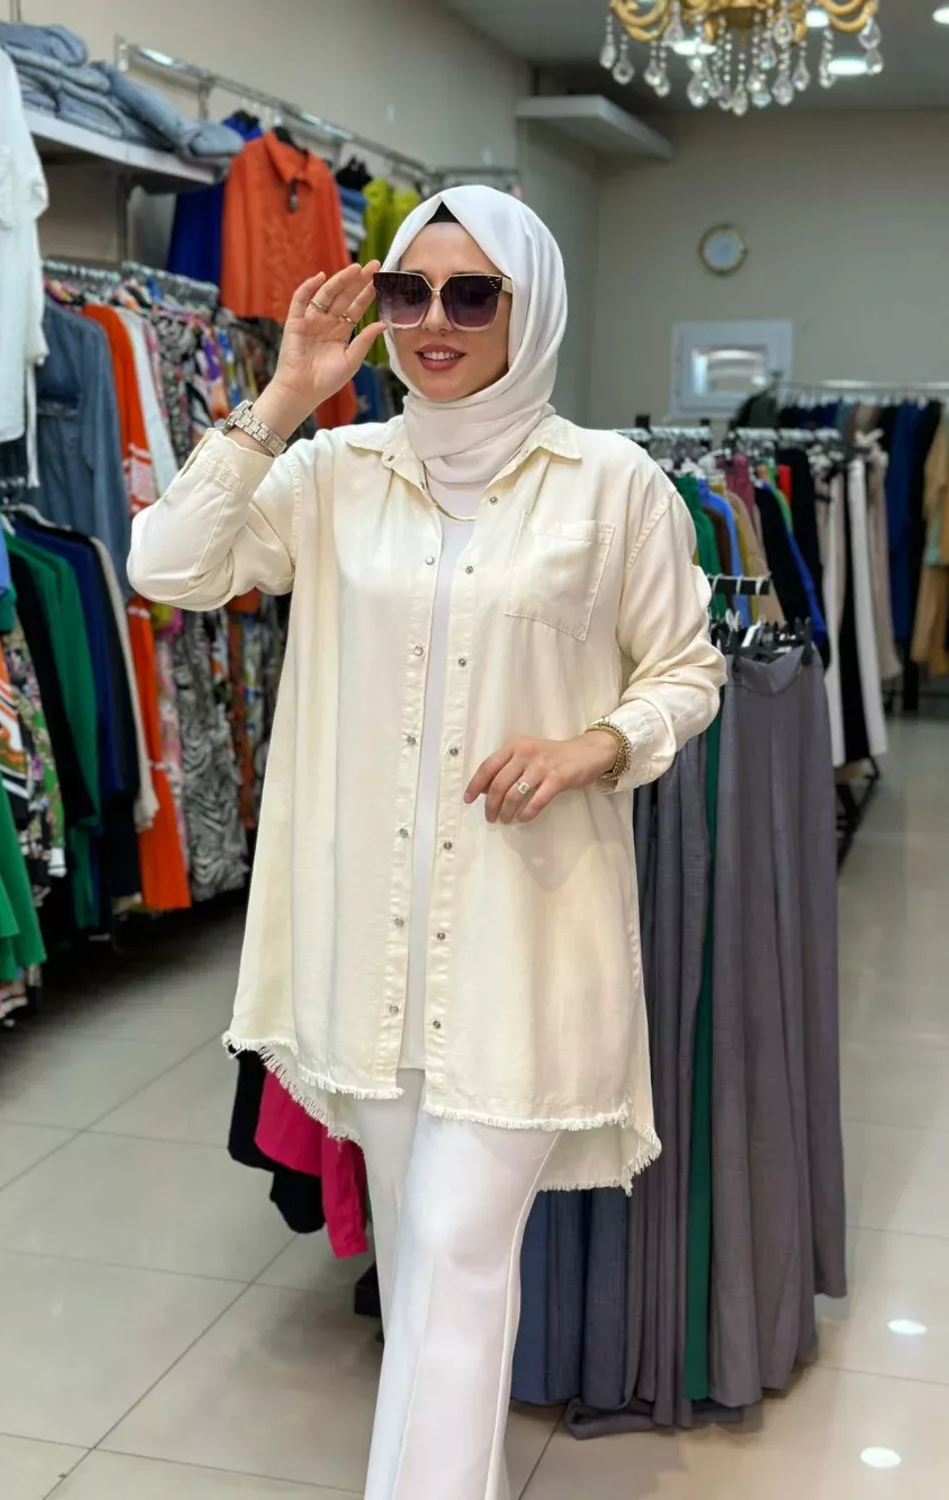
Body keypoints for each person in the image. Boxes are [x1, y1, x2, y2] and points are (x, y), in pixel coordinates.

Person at [129, 185, 725, 1500]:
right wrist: (285, 397)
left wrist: (594, 744)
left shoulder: (611, 485)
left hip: (524, 934)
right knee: (419, 1263)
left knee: (456, 1250)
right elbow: (166, 566)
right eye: (409, 291)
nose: (435, 321)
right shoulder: (334, 475)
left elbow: (688, 670)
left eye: (472, 294)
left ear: (531, 307)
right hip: (367, 943)